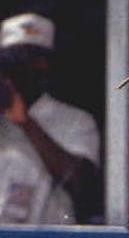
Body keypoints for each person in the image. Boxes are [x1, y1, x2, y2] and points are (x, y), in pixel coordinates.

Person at [0, 12, 101, 224]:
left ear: (44, 64)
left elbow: (83, 187)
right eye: (11, 60)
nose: (18, 70)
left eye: (28, 59)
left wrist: (26, 123)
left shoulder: (74, 120)